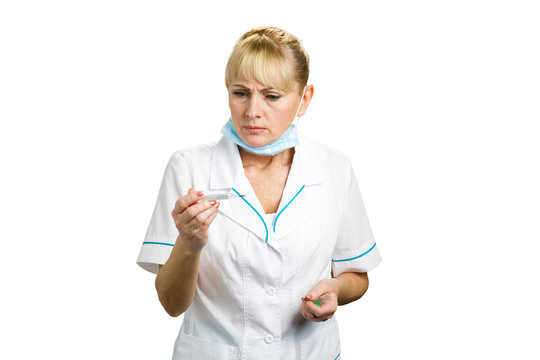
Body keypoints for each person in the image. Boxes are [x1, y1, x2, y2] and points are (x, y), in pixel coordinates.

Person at [137, 26, 382, 360]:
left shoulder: (334, 168)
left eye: (271, 96)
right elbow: (170, 303)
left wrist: (336, 289)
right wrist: (190, 244)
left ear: (304, 98)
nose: (252, 111)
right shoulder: (189, 168)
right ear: (227, 91)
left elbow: (356, 274)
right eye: (240, 93)